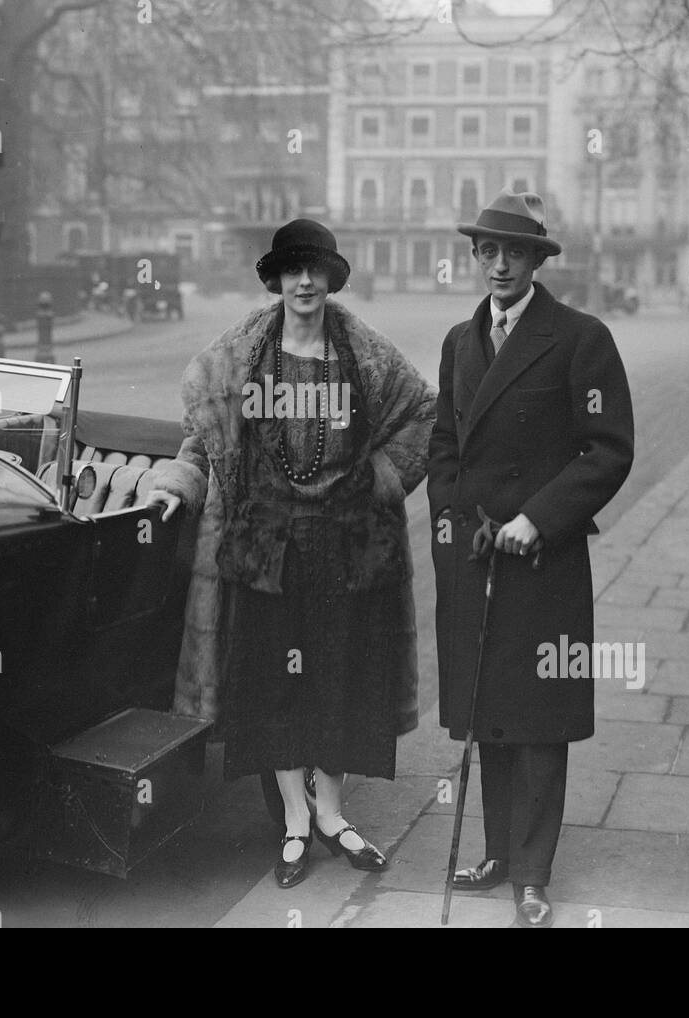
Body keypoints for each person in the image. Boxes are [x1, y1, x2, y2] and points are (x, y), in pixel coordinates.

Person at [145, 218, 437, 888]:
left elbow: (425, 415)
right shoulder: (238, 359)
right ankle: (295, 825)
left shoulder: (363, 357)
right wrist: (176, 486)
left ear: (331, 280)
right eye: (293, 269)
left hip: (344, 549)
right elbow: (202, 441)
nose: (305, 282)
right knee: (275, 686)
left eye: (317, 270)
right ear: (276, 279)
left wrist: (380, 482)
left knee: (335, 680)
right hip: (265, 549)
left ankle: (332, 816)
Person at [428, 187, 634, 928]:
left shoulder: (579, 337)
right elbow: (443, 445)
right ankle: (498, 853)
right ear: (476, 257)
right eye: (489, 251)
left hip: (542, 559)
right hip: (478, 557)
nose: (501, 265)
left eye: (516, 253)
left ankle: (534, 874)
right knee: (489, 711)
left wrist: (536, 520)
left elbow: (606, 451)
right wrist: (455, 523)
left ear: (537, 261)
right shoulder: (460, 341)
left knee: (539, 716)